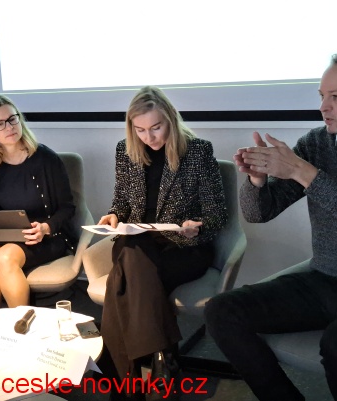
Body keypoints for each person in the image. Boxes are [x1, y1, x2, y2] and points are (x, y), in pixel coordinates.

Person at [204, 51, 337, 401]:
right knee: (221, 311)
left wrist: (302, 171)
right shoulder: (317, 143)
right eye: (322, 96)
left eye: (336, 97)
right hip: (324, 277)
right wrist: (257, 181)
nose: (323, 107)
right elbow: (259, 213)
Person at [97, 86, 227, 397]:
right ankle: (163, 357)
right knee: (132, 252)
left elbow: (217, 214)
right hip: (137, 242)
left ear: (170, 119)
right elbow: (121, 202)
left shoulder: (198, 151)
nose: (149, 137)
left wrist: (197, 228)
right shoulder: (125, 151)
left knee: (122, 282)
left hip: (183, 248)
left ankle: (122, 383)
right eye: (140, 130)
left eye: (156, 127)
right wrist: (113, 215)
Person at [0, 95, 76, 309]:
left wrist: (46, 227)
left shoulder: (46, 158)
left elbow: (67, 208)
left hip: (45, 236)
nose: (9, 127)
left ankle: (21, 325)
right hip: (5, 234)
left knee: (6, 257)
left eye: (12, 119)